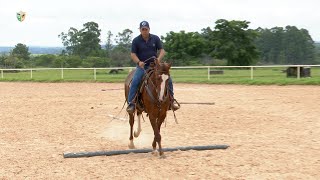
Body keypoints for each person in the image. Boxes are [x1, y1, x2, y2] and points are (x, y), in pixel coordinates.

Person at [126, 20, 180, 113]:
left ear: (149, 29)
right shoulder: (136, 40)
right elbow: (133, 54)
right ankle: (131, 104)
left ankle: (171, 101)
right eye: (142, 29)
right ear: (140, 30)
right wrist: (139, 62)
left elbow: (162, 51)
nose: (144, 31)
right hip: (142, 67)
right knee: (135, 81)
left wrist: (158, 60)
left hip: (155, 66)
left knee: (168, 80)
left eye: (146, 29)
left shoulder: (155, 38)